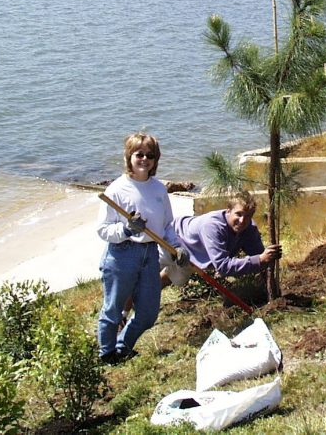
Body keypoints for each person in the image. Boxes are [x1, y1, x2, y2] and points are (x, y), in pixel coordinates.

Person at [96, 132, 185, 364]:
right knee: (113, 309)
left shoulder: (158, 189)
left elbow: (167, 225)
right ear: (129, 156)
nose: (144, 159)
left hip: (150, 253)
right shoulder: (116, 189)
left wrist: (176, 246)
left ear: (156, 160)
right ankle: (107, 355)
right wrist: (127, 229)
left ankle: (123, 347)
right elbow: (103, 229)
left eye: (150, 155)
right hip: (122, 253)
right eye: (139, 154)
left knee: (148, 313)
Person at [160, 190, 282, 289]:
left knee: (177, 278)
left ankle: (149, 293)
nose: (242, 221)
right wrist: (260, 259)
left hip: (193, 255)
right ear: (228, 210)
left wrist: (269, 279)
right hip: (172, 240)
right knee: (148, 270)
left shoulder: (249, 228)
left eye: (248, 216)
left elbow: (260, 257)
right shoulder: (213, 226)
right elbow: (223, 266)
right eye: (238, 214)